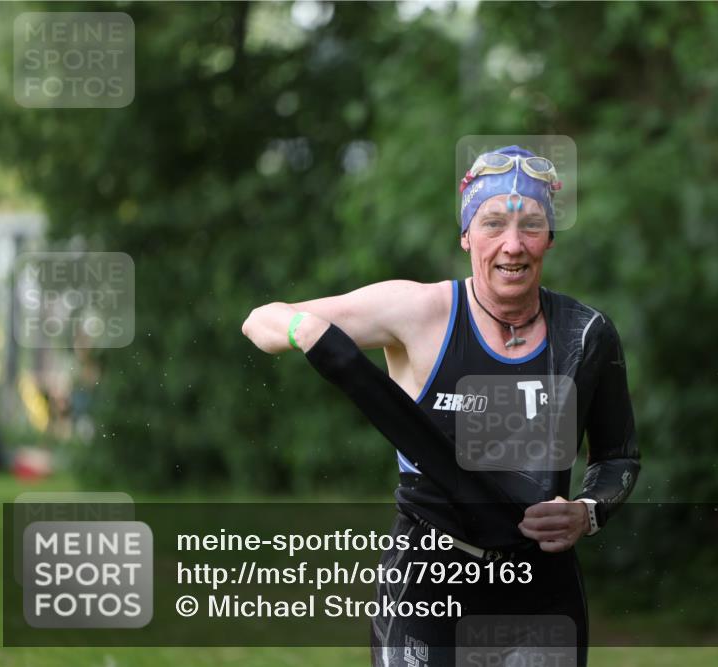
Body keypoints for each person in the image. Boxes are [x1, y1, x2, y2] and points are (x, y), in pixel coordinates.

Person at [242, 145, 640, 666]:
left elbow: (618, 457)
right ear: (466, 235)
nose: (512, 245)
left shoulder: (586, 335)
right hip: (430, 583)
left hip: (542, 587)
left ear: (549, 239)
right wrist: (306, 328)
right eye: (493, 223)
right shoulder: (418, 312)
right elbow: (260, 320)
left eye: (532, 226)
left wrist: (586, 513)